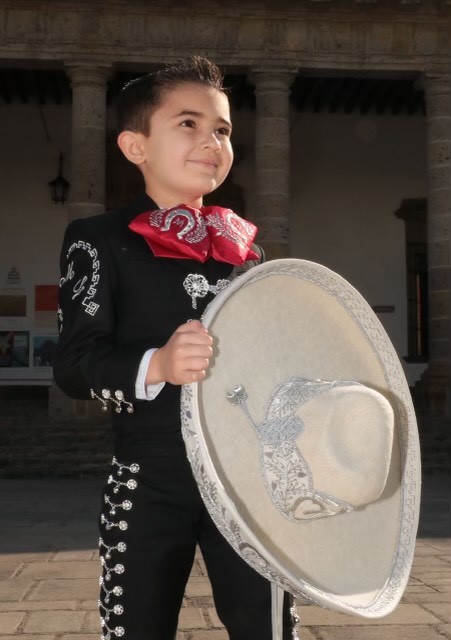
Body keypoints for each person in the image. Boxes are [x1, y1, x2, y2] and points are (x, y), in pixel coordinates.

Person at [54, 56, 298, 640]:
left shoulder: (248, 256)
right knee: (137, 627)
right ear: (135, 146)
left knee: (268, 629)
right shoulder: (99, 241)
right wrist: (156, 364)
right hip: (148, 477)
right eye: (187, 124)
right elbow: (74, 364)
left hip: (244, 481)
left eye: (222, 129)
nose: (211, 141)